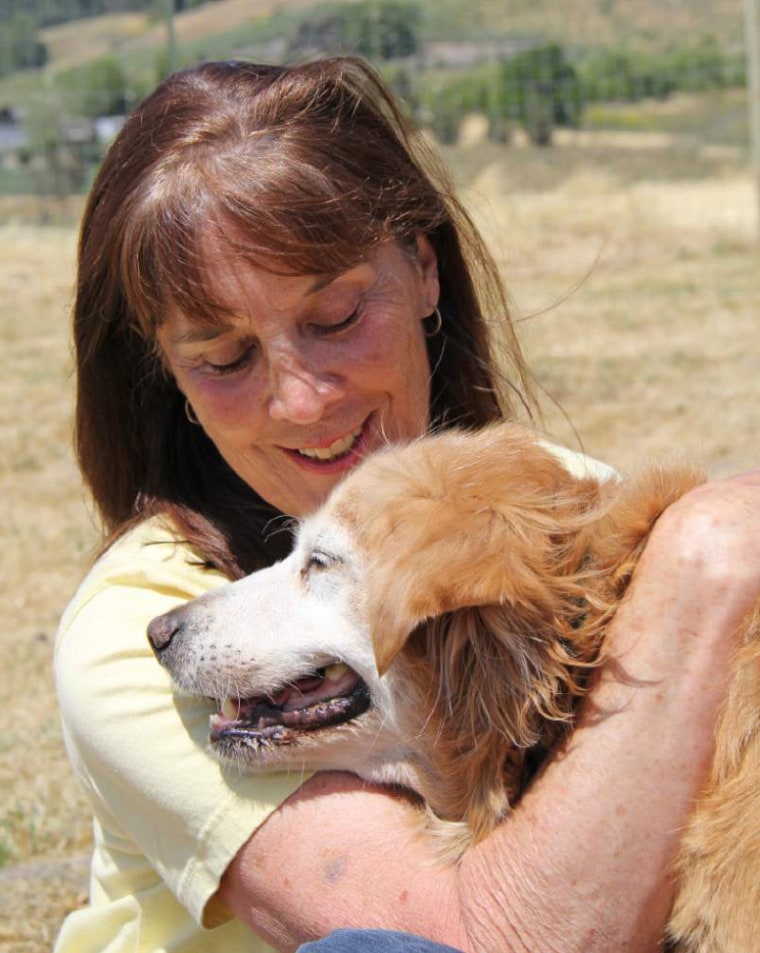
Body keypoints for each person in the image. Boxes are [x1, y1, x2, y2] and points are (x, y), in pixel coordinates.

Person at [53, 56, 760, 953]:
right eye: (226, 359)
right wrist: (701, 563)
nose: (304, 400)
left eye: (338, 315)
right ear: (169, 378)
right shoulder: (130, 626)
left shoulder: (553, 500)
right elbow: (478, 938)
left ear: (423, 269)